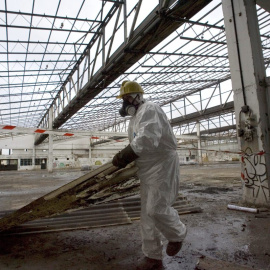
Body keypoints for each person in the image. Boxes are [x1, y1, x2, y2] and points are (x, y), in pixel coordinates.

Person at [112, 81, 187, 267]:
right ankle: (152, 256)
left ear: (138, 96)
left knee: (156, 208)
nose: (125, 102)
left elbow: (147, 139)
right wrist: (128, 156)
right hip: (146, 169)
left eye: (128, 97)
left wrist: (125, 155)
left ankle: (177, 234)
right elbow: (139, 140)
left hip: (161, 166)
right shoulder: (134, 119)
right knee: (147, 214)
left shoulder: (150, 109)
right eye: (123, 99)